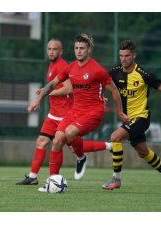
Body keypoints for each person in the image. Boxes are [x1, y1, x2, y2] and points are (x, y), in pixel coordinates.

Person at [27, 34, 130, 192]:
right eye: (76, 48)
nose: (79, 51)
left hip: (93, 112)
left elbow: (115, 91)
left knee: (69, 133)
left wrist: (120, 113)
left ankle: (81, 157)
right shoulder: (71, 68)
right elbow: (52, 84)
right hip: (75, 110)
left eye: (82, 48)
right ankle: (51, 183)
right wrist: (38, 100)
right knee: (57, 141)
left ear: (89, 50)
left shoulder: (97, 70)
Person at [16, 38, 112, 188]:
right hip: (53, 113)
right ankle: (35, 177)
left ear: (60, 52)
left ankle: (105, 147)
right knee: (44, 142)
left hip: (65, 112)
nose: (51, 52)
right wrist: (39, 98)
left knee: (72, 145)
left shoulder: (63, 65)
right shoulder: (52, 66)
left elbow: (69, 89)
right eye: (49, 49)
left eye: (54, 49)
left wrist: (49, 93)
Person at [102, 40, 161, 193]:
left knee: (115, 137)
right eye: (121, 56)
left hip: (141, 118)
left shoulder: (143, 74)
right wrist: (101, 96)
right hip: (128, 120)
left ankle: (116, 179)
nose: (123, 59)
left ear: (134, 56)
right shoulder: (115, 72)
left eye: (127, 56)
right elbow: (100, 82)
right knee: (142, 151)